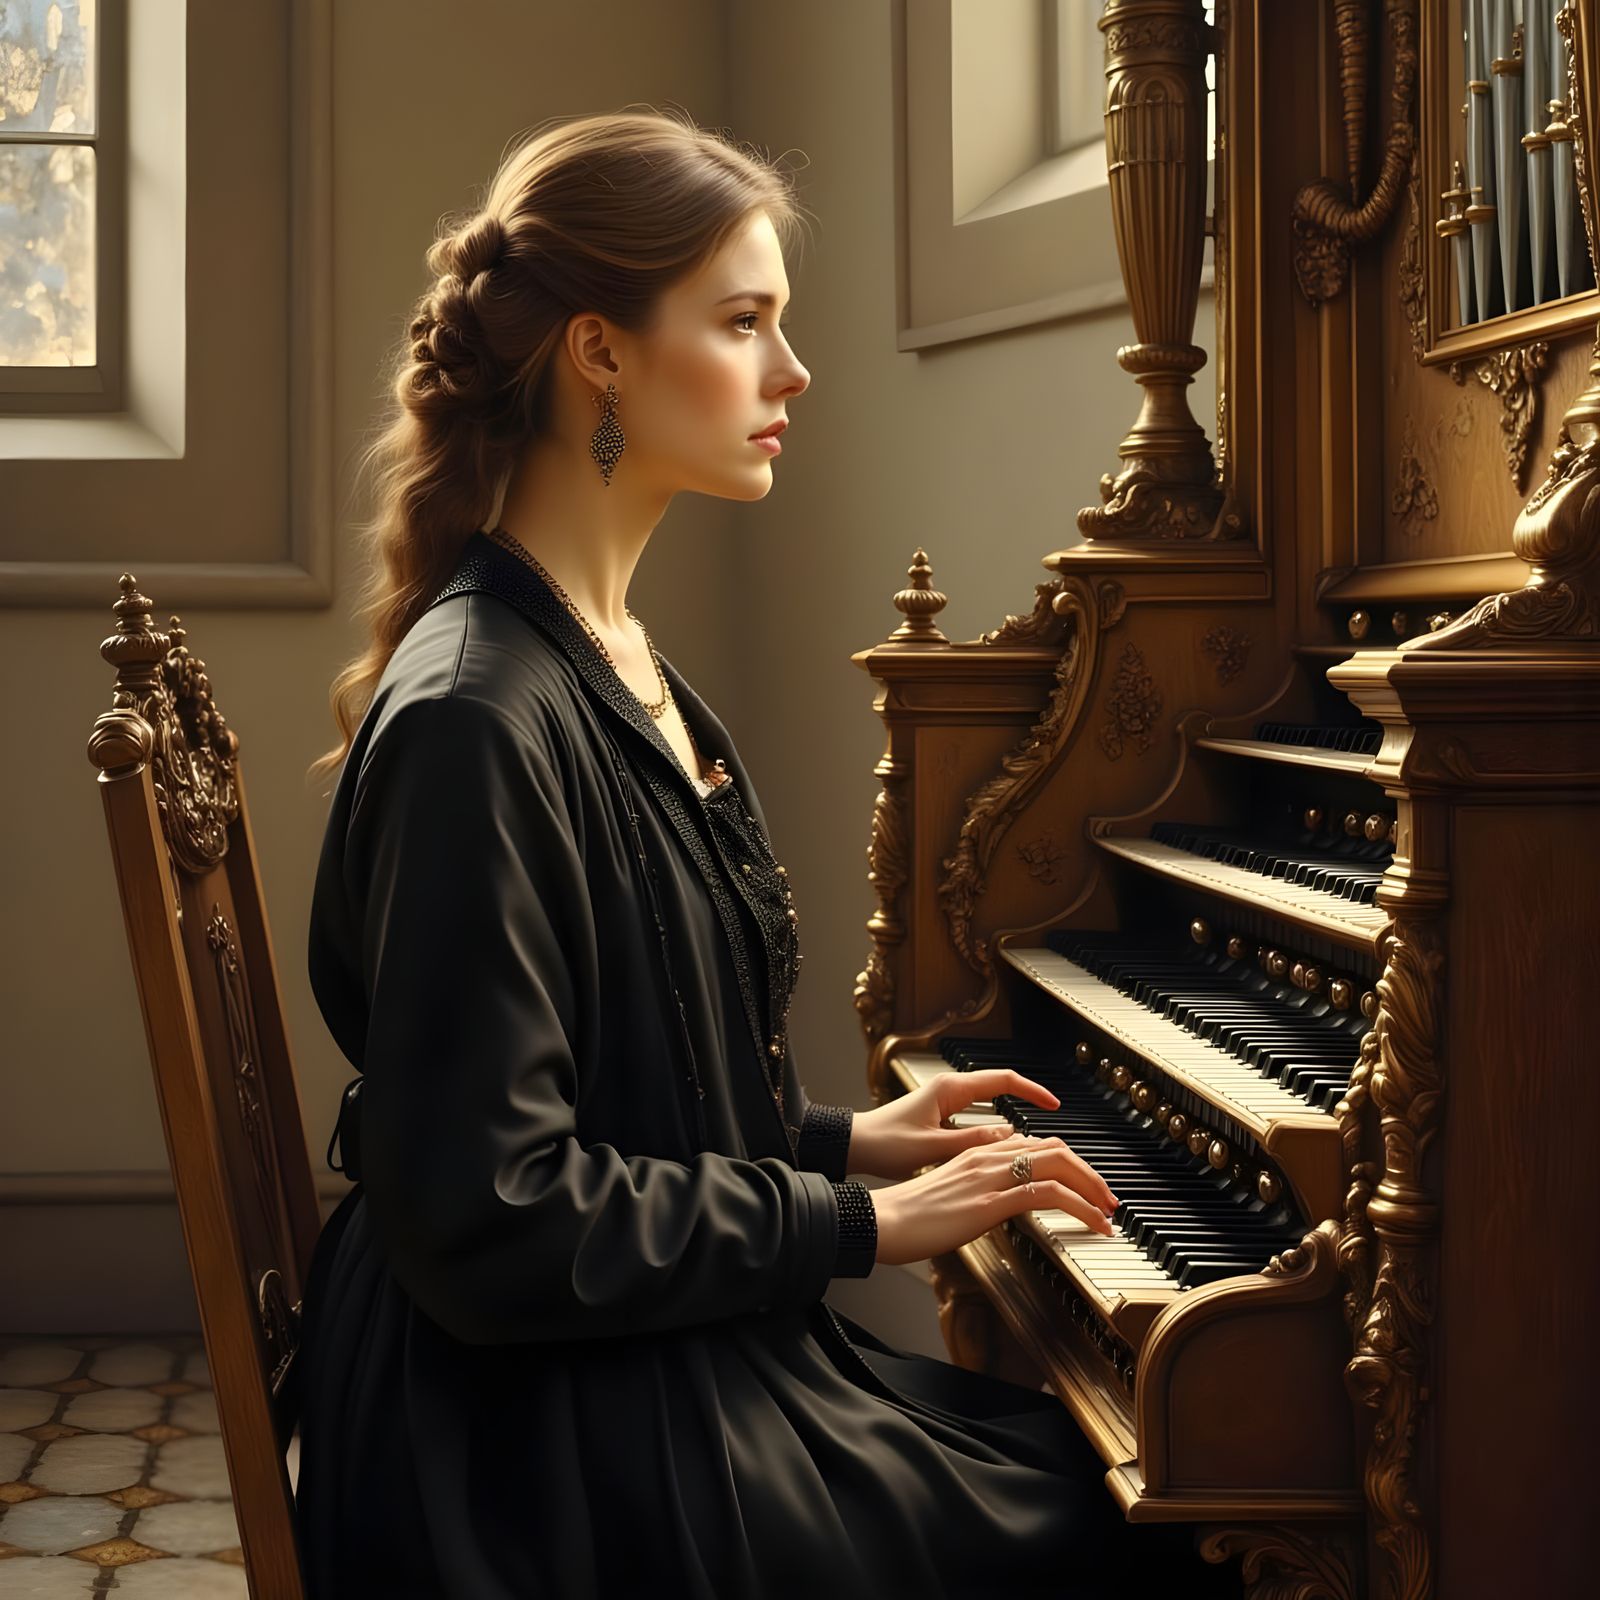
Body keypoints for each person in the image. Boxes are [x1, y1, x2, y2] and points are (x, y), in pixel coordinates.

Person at [295, 107, 1237, 1598]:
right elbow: (490, 1211)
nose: (791, 372)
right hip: (518, 1450)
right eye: (744, 323)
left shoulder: (607, 652)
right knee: (1118, 1524)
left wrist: (842, 1142)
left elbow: (626, 1079)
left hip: (619, 1362)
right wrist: (857, 1221)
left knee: (1101, 1477)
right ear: (598, 352)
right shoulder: (480, 715)